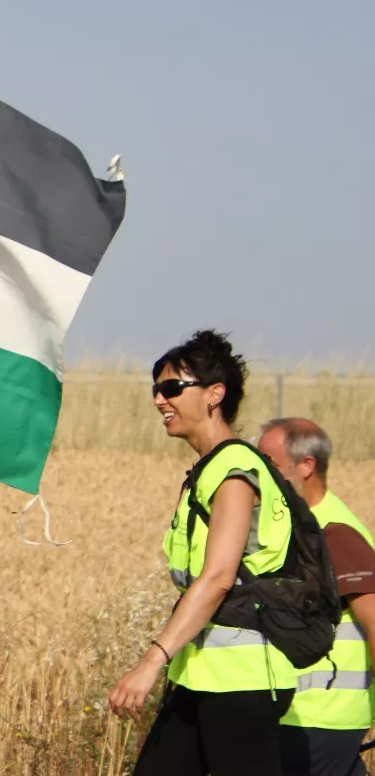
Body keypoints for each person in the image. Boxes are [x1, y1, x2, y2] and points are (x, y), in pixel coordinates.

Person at [109, 330, 297, 776]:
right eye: (156, 388)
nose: (159, 399)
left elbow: (216, 579)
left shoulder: (235, 473)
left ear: (215, 395)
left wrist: (150, 662)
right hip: (198, 673)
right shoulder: (210, 470)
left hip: (242, 680)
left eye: (172, 387)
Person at [257, 417, 375, 776]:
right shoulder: (296, 526)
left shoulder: (334, 533)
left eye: (269, 463)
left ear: (306, 465)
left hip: (322, 713)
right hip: (304, 713)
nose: (260, 474)